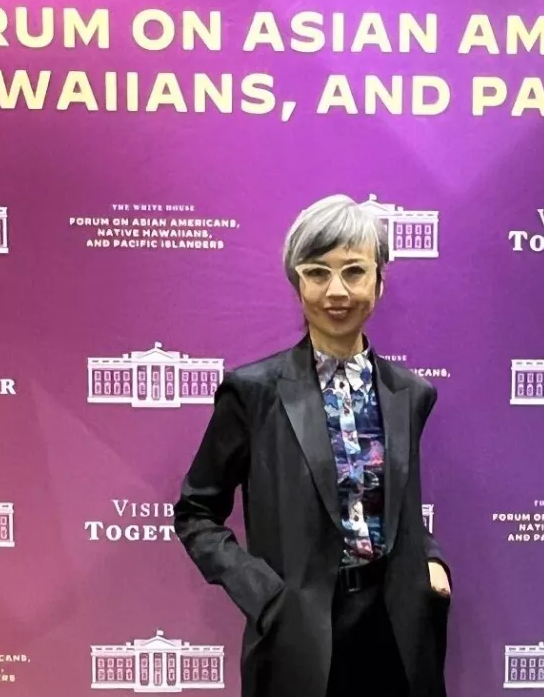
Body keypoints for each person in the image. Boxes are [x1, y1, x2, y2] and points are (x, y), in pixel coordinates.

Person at [173, 193, 452, 697]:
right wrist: (262, 594)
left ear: (380, 281)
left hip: (399, 627)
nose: (337, 291)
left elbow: (397, 506)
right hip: (300, 631)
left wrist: (430, 560)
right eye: (318, 273)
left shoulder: (410, 393)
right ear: (298, 284)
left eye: (354, 271)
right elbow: (196, 512)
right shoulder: (254, 392)